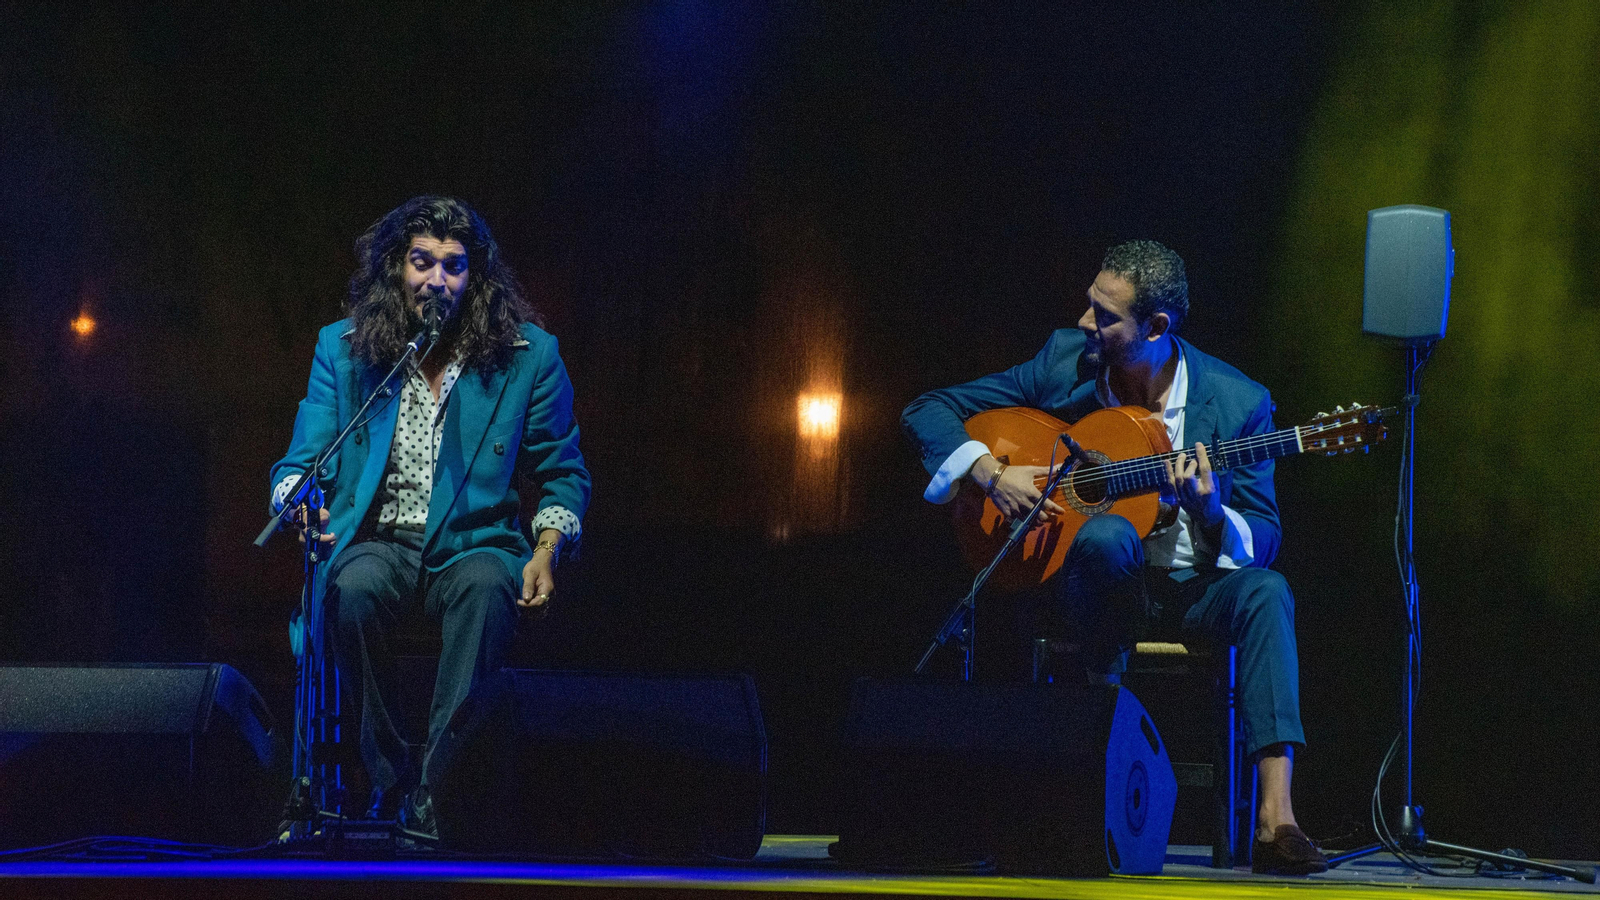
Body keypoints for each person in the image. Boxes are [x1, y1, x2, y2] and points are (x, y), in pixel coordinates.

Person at [901, 240, 1326, 875]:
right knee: (1105, 536)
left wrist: (1210, 513)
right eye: (1090, 304)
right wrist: (990, 472)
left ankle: (1276, 818)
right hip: (1096, 589)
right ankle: (1090, 766)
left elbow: (1263, 531)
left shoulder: (1239, 402)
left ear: (1157, 327)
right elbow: (927, 409)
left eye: (1105, 315)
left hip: (1194, 589)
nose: (1084, 323)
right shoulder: (1065, 361)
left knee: (1268, 589)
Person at [270, 196, 590, 835]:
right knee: (351, 588)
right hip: (376, 542)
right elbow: (301, 461)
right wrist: (294, 500)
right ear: (397, 267)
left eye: (453, 265)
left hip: (476, 545)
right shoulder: (344, 349)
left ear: (475, 278)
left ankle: (437, 791)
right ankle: (390, 781)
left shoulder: (529, 357)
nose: (436, 279)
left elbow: (562, 473)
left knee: (485, 588)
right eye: (422, 262)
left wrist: (547, 551)